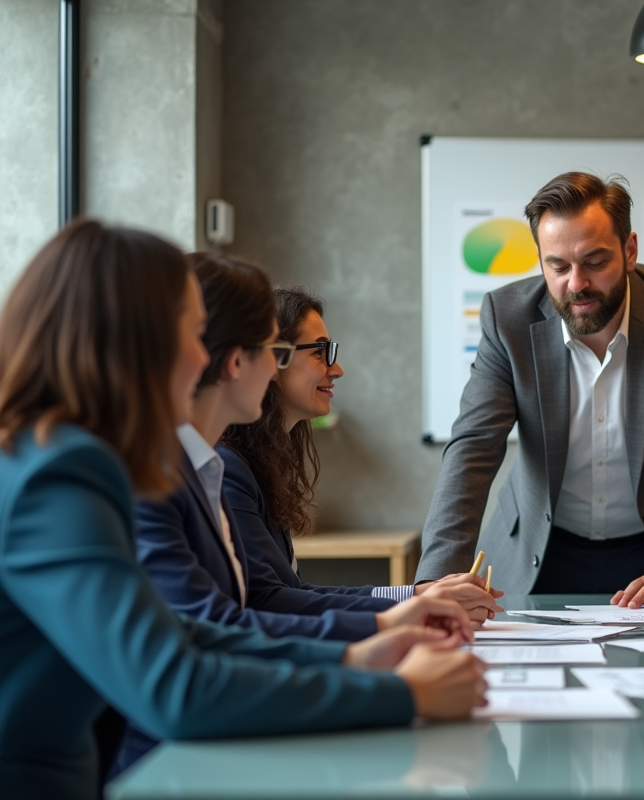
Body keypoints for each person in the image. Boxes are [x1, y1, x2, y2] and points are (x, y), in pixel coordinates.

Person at [0, 221, 486, 800]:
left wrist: (358, 656)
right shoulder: (63, 472)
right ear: (139, 339)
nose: (203, 353)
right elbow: (175, 685)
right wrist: (405, 694)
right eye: (194, 329)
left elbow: (183, 633)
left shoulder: (53, 455)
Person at [120, 254, 501, 776]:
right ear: (239, 361)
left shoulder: (202, 467)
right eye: (311, 352)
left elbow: (220, 627)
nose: (335, 367)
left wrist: (390, 624)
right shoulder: (166, 474)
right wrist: (393, 677)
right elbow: (221, 635)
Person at [414, 172, 644, 606]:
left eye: (595, 262)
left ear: (630, 250)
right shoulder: (506, 318)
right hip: (537, 551)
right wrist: (435, 580)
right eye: (557, 266)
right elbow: (473, 449)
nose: (576, 283)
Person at [217, 285, 500, 620]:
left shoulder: (255, 465)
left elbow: (293, 595)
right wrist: (412, 608)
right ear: (270, 358)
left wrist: (415, 596)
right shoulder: (228, 470)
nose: (337, 370)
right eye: (320, 352)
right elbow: (269, 600)